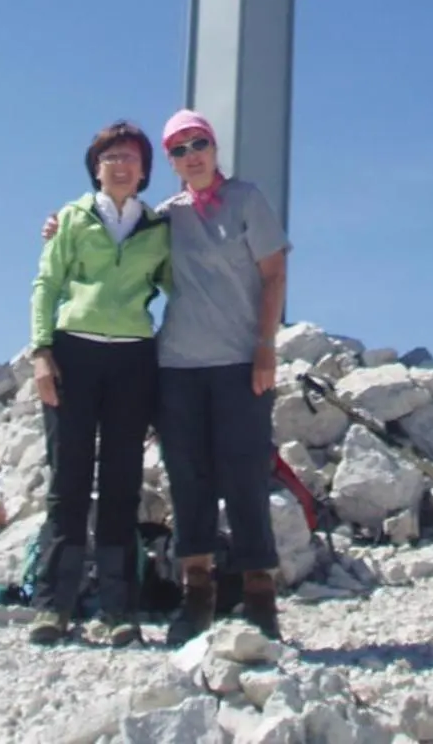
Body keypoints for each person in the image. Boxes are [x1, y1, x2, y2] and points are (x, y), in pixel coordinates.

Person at [26, 120, 172, 648]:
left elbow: (179, 284)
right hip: (73, 356)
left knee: (120, 485)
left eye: (130, 156)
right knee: (67, 481)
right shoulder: (71, 218)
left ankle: (118, 610)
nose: (120, 164)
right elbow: (47, 282)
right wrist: (42, 351)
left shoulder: (159, 228)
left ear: (144, 169)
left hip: (133, 360)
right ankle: (53, 607)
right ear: (95, 166)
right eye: (110, 156)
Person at [154, 111, 289, 643]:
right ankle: (197, 596)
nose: (193, 155)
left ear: (215, 146)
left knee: (245, 475)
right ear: (171, 162)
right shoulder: (165, 217)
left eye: (200, 143)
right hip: (178, 367)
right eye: (181, 149)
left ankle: (259, 597)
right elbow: (111, 236)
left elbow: (274, 273)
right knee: (187, 478)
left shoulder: (248, 200)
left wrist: (265, 347)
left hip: (239, 362)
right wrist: (58, 226)